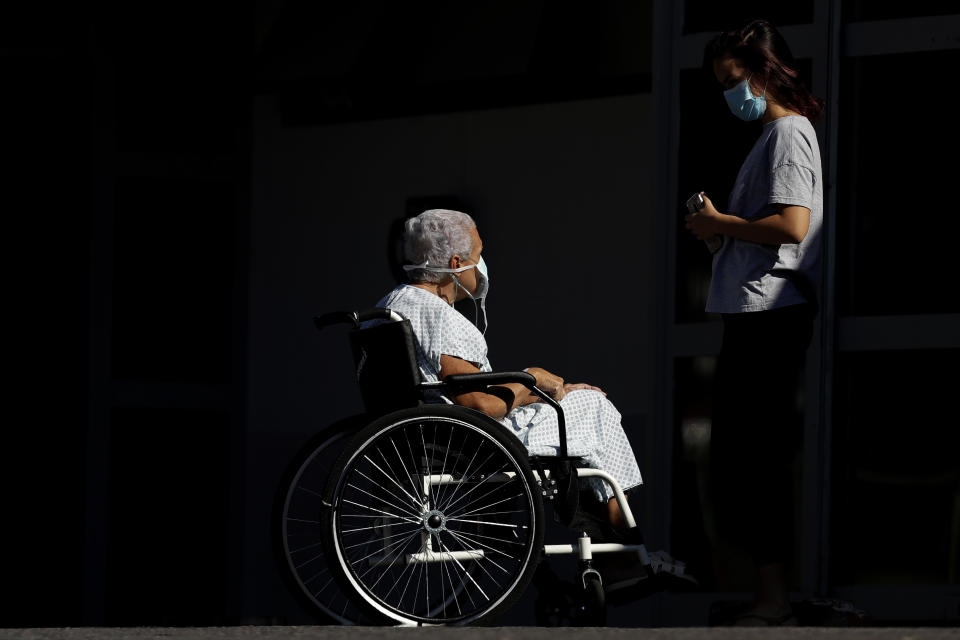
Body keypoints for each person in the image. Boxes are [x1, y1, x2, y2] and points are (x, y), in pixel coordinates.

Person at [372, 208, 643, 535]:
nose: (483, 263)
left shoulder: (394, 304)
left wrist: (544, 388)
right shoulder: (440, 317)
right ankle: (624, 551)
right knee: (594, 406)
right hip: (470, 441)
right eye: (479, 254)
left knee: (574, 403)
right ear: (457, 264)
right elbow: (480, 407)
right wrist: (530, 377)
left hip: (419, 433)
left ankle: (612, 551)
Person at [685, 19, 823, 626]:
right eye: (722, 84)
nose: (730, 95)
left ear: (765, 72)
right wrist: (719, 233)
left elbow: (793, 226)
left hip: (771, 314)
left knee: (755, 457)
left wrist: (721, 226)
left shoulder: (788, 133)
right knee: (742, 457)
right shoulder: (773, 137)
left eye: (735, 80)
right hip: (756, 311)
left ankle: (774, 599)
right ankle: (767, 592)